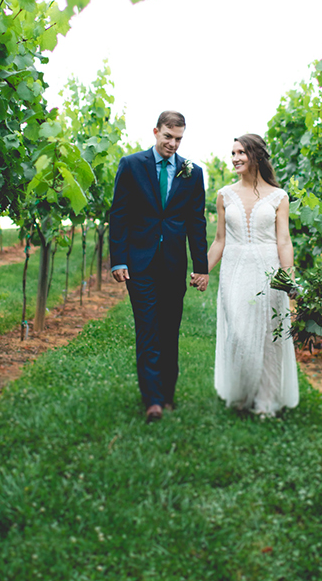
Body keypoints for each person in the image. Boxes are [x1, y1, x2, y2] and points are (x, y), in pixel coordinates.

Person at [109, 111, 209, 422]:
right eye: (168, 136)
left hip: (173, 263)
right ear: (156, 132)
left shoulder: (192, 173)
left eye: (178, 139)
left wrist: (201, 266)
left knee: (169, 330)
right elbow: (119, 214)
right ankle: (152, 399)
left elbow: (196, 222)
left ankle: (167, 393)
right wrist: (118, 259)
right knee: (148, 328)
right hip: (139, 263)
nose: (173, 144)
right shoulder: (131, 165)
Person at [207, 134, 299, 417]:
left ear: (256, 155)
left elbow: (283, 241)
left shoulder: (278, 196)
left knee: (270, 336)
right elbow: (220, 240)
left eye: (241, 152)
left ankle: (266, 400)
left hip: (268, 270)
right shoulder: (224, 194)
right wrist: (202, 270)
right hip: (234, 270)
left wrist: (289, 281)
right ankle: (241, 392)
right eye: (233, 153)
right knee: (238, 333)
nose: (235, 158)